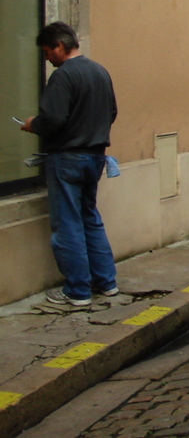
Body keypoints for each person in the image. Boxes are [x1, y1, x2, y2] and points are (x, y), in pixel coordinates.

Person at [20, 22, 119, 308]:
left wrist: (32, 125)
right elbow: (111, 112)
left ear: (59, 46)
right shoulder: (100, 71)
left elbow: (53, 119)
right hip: (96, 155)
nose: (47, 59)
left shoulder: (63, 77)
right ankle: (106, 282)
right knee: (89, 217)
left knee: (67, 224)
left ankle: (77, 291)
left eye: (47, 52)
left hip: (67, 158)